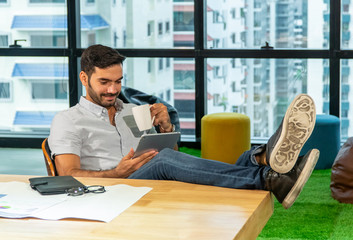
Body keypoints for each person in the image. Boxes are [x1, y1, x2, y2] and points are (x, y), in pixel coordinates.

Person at [48, 44, 319, 209]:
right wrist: (116, 172)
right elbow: (67, 174)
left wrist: (165, 128)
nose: (113, 89)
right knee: (163, 160)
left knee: (169, 157)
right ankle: (267, 176)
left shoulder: (130, 111)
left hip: (149, 179)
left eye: (118, 81)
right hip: (110, 190)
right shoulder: (68, 120)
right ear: (84, 78)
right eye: (105, 82)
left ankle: (260, 159)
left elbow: (173, 156)